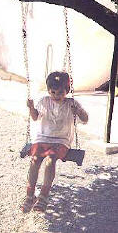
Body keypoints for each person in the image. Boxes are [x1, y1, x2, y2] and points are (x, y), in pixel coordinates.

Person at [22, 71, 88, 213]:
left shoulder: (71, 104)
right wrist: (31, 107)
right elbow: (35, 117)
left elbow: (85, 119)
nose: (56, 96)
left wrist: (78, 112)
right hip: (43, 137)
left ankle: (43, 196)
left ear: (67, 91)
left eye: (60, 93)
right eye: (52, 92)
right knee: (34, 160)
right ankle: (30, 195)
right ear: (48, 90)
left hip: (61, 140)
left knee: (51, 160)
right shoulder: (44, 101)